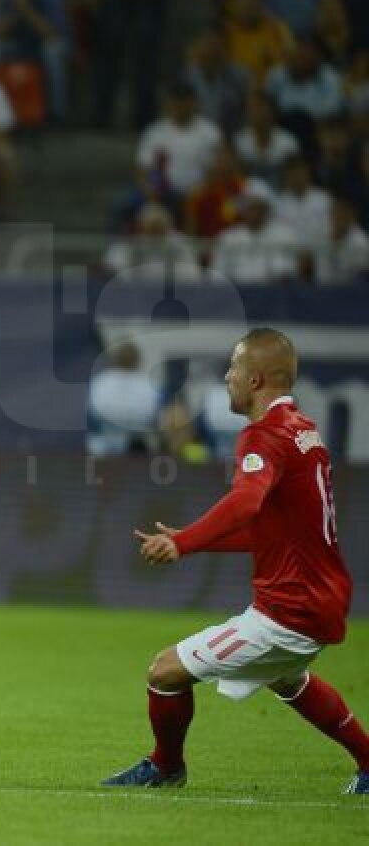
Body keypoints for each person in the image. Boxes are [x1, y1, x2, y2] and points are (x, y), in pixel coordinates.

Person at [102, 329, 368, 796]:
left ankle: (166, 767)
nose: (227, 378)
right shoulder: (304, 431)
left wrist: (183, 543)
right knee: (288, 680)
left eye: (234, 370)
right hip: (321, 599)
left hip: (289, 610)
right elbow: (271, 531)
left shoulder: (264, 436)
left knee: (164, 672)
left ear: (257, 379)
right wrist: (191, 542)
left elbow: (246, 503)